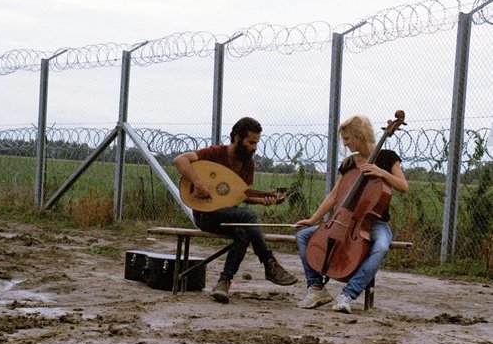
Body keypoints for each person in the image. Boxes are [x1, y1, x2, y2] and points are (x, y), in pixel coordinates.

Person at [174, 117, 298, 304]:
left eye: (257, 142)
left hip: (230, 216)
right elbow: (180, 160)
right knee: (246, 216)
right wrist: (198, 184)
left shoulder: (248, 164)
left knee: (243, 231)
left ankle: (224, 282)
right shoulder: (215, 153)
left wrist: (262, 200)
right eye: (251, 142)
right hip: (205, 215)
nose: (254, 147)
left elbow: (239, 195)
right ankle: (269, 263)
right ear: (236, 138)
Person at [294, 115, 408, 313]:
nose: (345, 144)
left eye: (347, 138)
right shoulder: (349, 163)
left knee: (381, 247)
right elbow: (334, 196)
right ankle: (315, 288)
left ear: (359, 135)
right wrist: (313, 219)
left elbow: (403, 186)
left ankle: (348, 293)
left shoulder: (388, 157)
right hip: (344, 221)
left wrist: (381, 172)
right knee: (303, 235)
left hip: (376, 223)